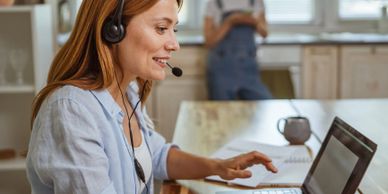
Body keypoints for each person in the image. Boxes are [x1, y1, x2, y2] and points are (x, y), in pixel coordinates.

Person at [26, 0, 278, 194]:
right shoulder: (72, 110)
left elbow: (156, 155)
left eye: (173, 29)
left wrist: (218, 167)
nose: (174, 44)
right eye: (161, 28)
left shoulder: (127, 90)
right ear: (114, 29)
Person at [204, 0, 272, 100]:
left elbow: (265, 33)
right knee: (222, 110)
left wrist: (254, 22)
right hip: (222, 68)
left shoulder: (256, 2)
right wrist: (230, 22)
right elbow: (209, 42)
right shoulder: (214, 3)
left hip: (249, 67)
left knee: (264, 103)